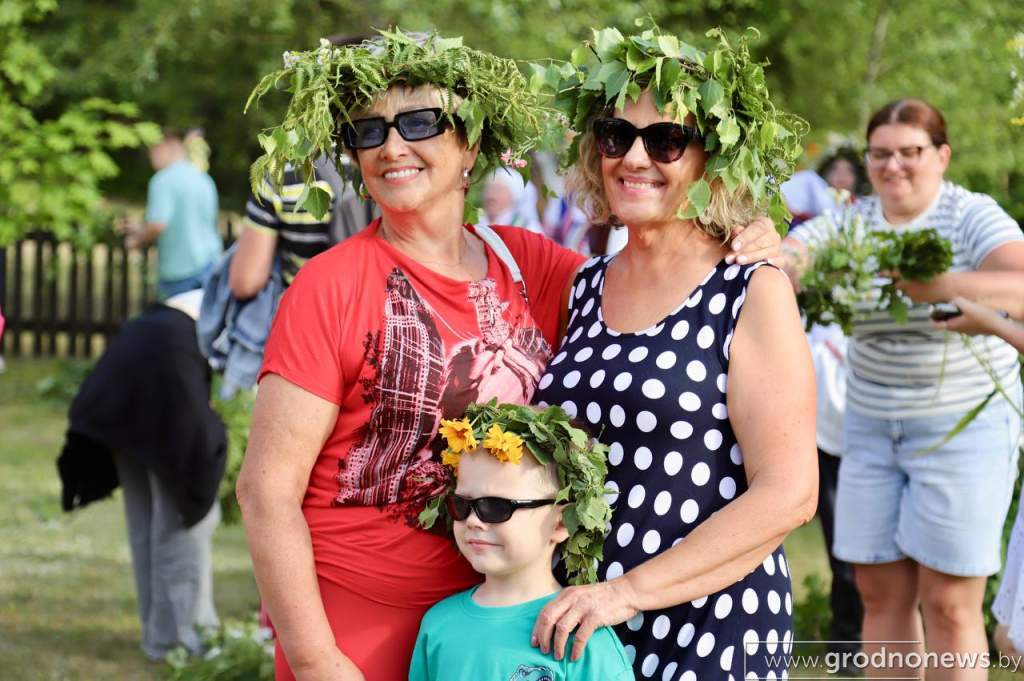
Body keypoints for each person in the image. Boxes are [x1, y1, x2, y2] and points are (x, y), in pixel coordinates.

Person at [236, 30, 782, 681]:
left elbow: (654, 316)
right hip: (363, 627)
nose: (393, 146)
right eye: (369, 131)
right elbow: (265, 491)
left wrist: (753, 244)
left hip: (502, 625)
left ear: (471, 144)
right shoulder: (327, 287)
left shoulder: (528, 264)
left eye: (419, 121)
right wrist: (315, 656)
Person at [530, 26, 817, 680]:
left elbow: (791, 493)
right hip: (583, 633)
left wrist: (627, 592)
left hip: (708, 627)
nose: (634, 158)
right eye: (615, 136)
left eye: (665, 139)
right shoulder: (584, 286)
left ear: (710, 159)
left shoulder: (749, 289)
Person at [781, 98, 1024, 679]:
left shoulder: (971, 215)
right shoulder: (852, 220)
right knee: (879, 593)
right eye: (881, 154)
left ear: (941, 156)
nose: (894, 167)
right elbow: (794, 257)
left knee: (947, 600)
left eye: (911, 153)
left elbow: (1020, 286)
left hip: (963, 426)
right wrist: (777, 259)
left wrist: (937, 284)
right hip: (870, 427)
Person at [56, 288, 226, 660]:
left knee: (149, 520)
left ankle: (160, 639)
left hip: (131, 368)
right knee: (185, 518)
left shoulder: (217, 282)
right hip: (165, 370)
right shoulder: (271, 284)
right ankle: (188, 642)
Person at [409, 402, 635, 681]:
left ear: (563, 521)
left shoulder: (578, 634)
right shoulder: (438, 625)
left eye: (496, 506)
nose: (473, 521)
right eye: (462, 504)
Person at [124, 129, 223, 299]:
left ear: (165, 147)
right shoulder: (204, 179)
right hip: (212, 265)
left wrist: (136, 239)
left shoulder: (163, 180)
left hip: (180, 272)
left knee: (176, 323)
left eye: (152, 151)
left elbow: (157, 225)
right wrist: (140, 228)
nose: (150, 158)